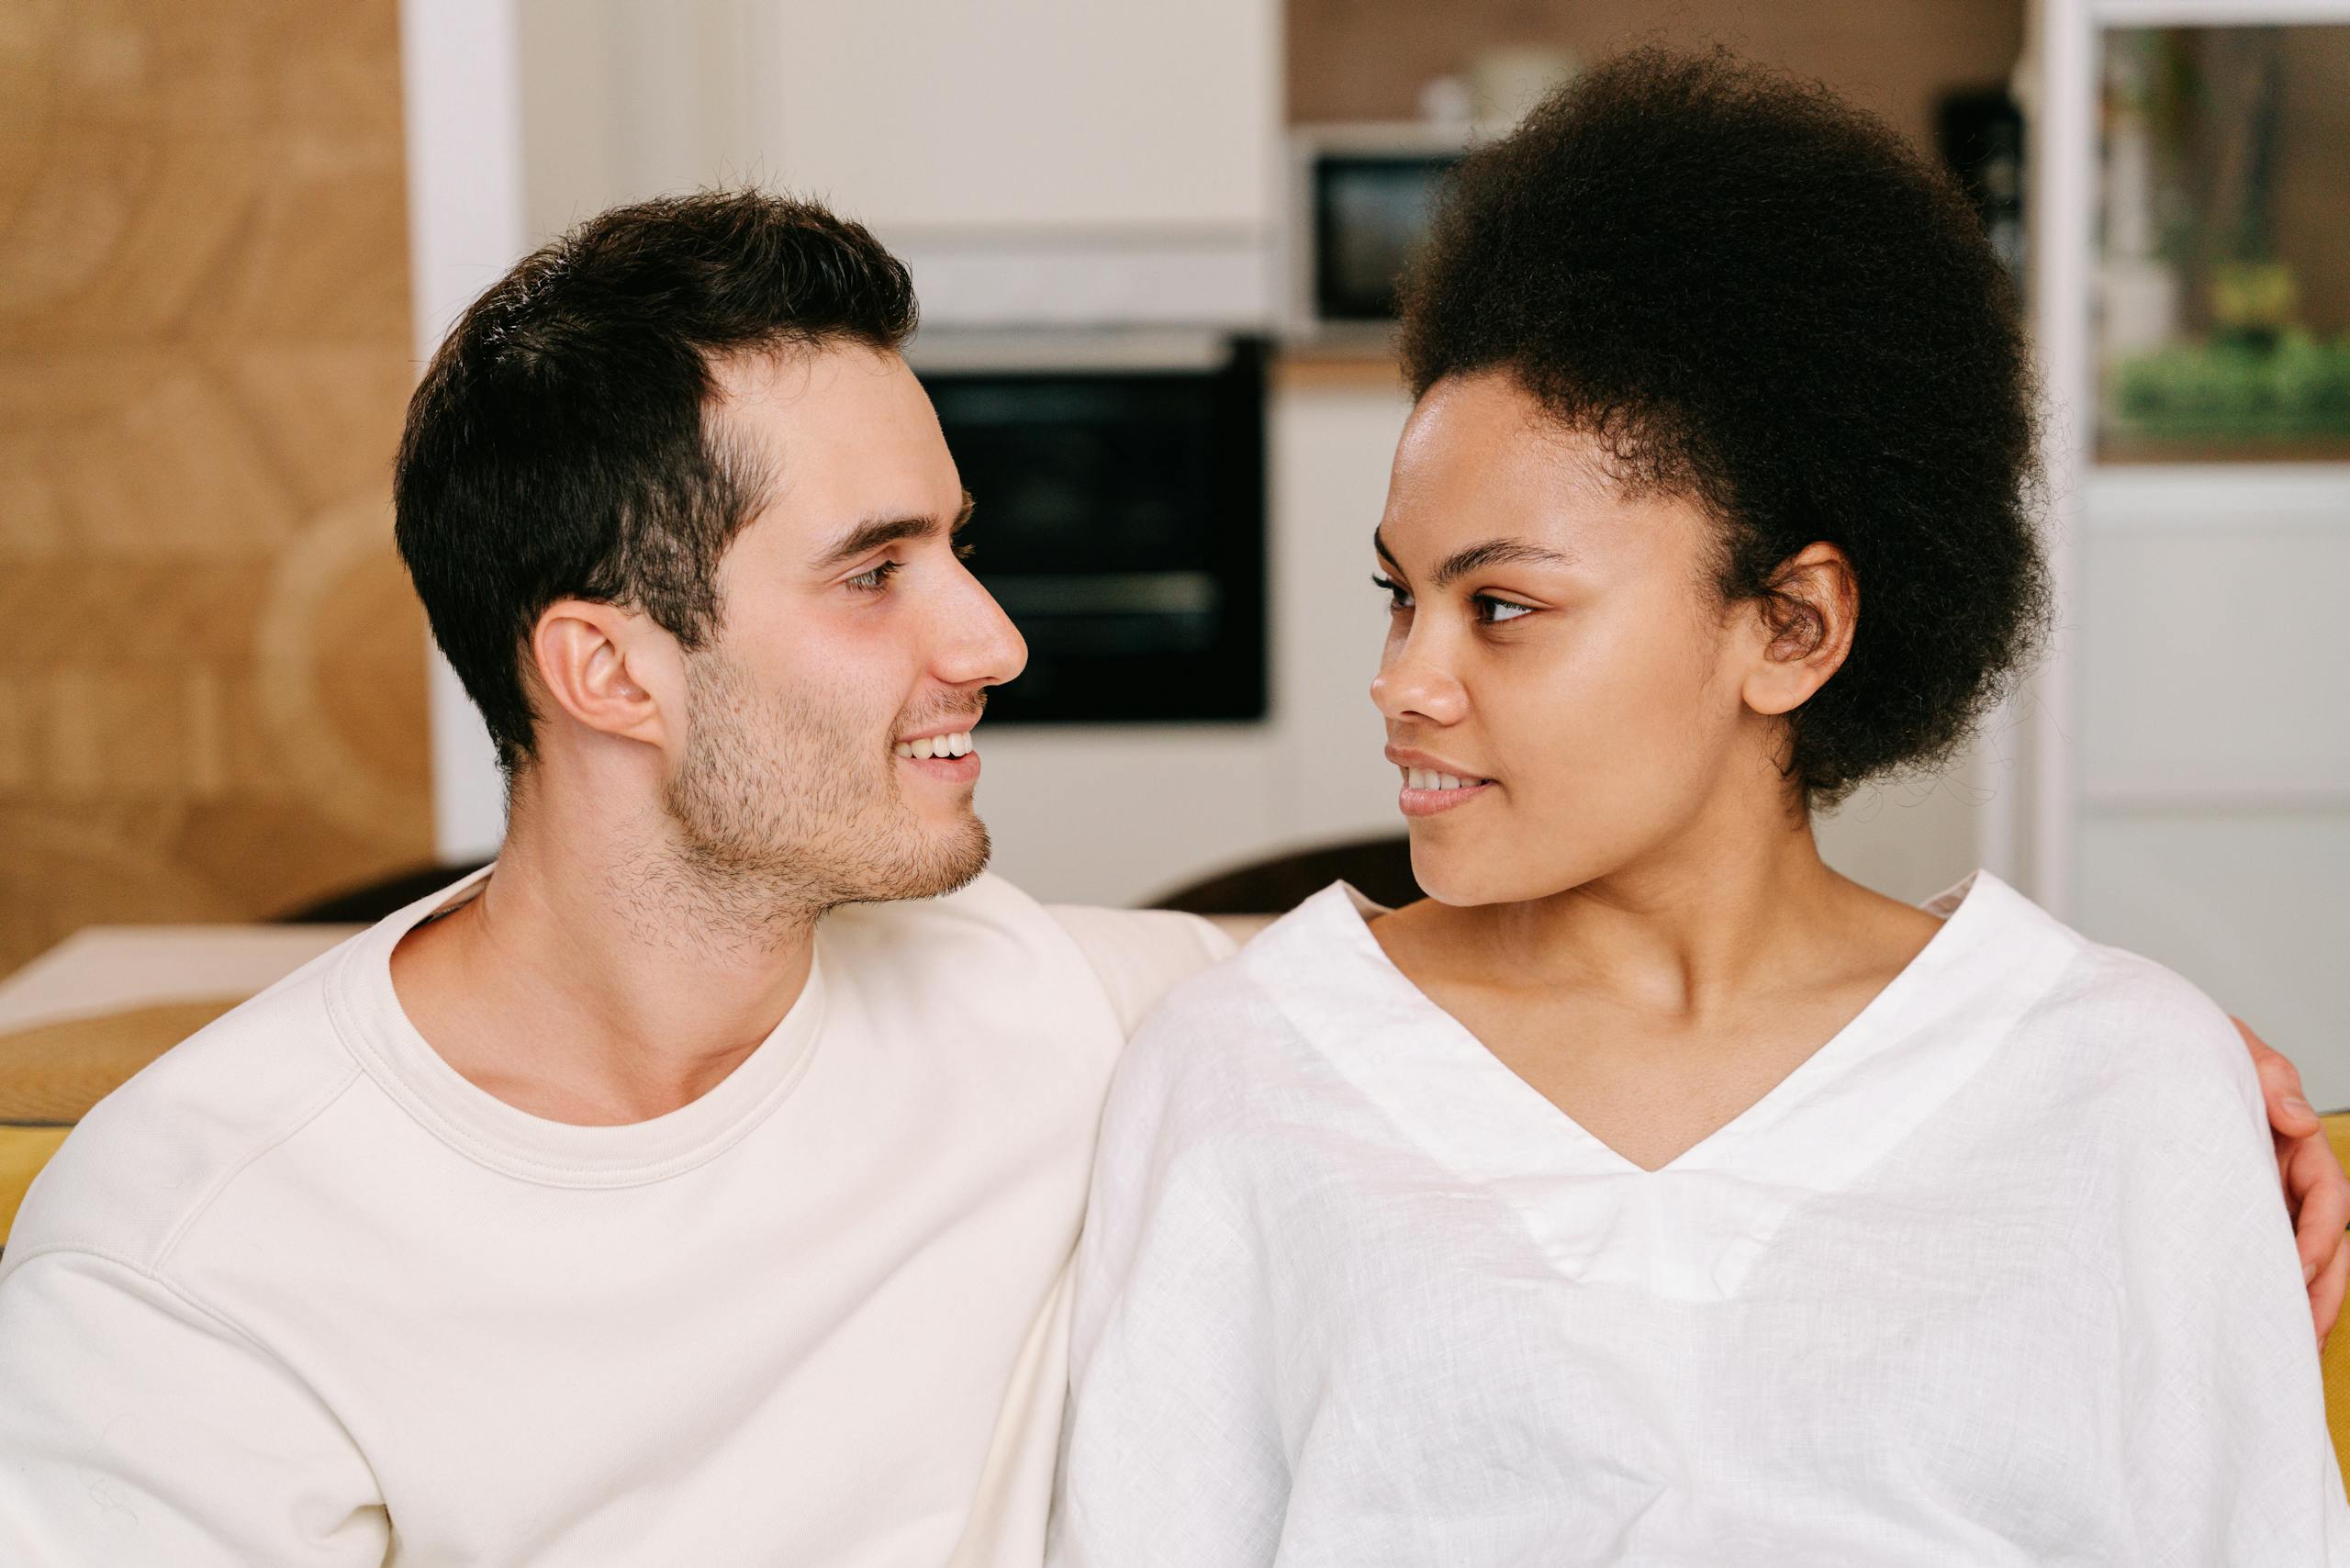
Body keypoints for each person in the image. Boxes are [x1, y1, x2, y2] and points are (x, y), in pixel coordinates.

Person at [0, 187, 2335, 1567]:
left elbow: (1461, 1016)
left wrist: (2064, 1056)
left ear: (1789, 625)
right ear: (604, 664)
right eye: (878, 568)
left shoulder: (1060, 1014)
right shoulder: (196, 1249)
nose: (991, 639)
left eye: (967, 546)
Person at [1053, 50, 2350, 1566]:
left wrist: (2171, 1071)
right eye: (1401, 600)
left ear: (1790, 628)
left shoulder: (2124, 1087)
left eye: (1505, 608)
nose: (1404, 681)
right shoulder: (1240, 1075)